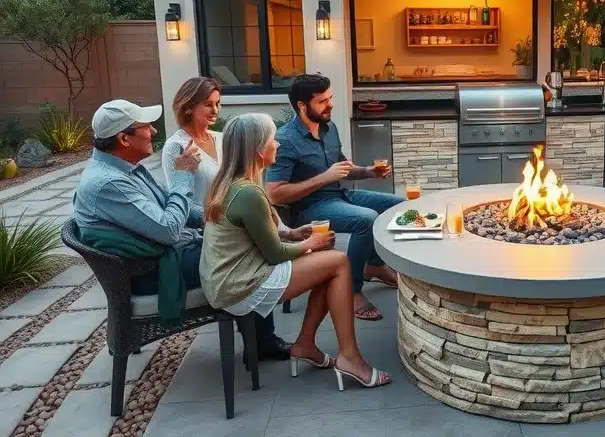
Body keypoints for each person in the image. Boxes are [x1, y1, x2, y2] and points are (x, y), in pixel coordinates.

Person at [73, 99, 291, 362]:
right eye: (146, 126)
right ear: (124, 139)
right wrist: (183, 175)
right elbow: (169, 230)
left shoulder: (124, 168)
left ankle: (259, 337)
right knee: (248, 252)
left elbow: (170, 205)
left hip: (162, 256)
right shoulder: (109, 183)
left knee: (241, 239)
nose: (154, 131)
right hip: (152, 272)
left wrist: (223, 218)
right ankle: (262, 340)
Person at [202, 113, 389, 389]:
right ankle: (349, 357)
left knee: (328, 266)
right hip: (240, 284)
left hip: (224, 279)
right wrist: (309, 244)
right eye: (272, 140)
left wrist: (292, 234)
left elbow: (254, 232)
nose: (277, 144)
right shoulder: (248, 193)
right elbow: (275, 254)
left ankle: (305, 345)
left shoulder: (230, 183)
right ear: (258, 150)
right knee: (339, 261)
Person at [266, 74, 403, 321]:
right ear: (301, 105)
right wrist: (324, 178)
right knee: (366, 219)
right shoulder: (285, 140)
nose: (330, 105)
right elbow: (273, 193)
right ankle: (351, 290)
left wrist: (367, 171)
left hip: (341, 195)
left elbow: (342, 168)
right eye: (322, 101)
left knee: (398, 206)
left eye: (330, 98)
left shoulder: (329, 128)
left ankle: (374, 265)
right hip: (309, 208)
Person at [162, 77, 223, 205]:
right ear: (189, 107)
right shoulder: (177, 145)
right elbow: (177, 196)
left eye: (217, 104)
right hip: (200, 217)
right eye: (208, 105)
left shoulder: (222, 138)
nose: (215, 110)